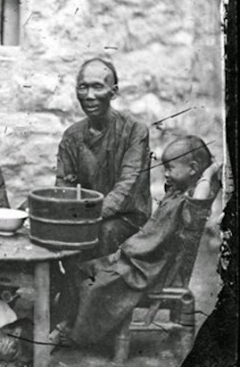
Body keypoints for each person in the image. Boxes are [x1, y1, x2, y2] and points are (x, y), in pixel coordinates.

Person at [56, 136, 221, 346]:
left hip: (153, 270)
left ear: (193, 168)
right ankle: (70, 323)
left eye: (170, 168)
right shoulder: (176, 192)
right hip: (140, 260)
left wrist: (209, 172)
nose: (166, 174)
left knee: (96, 287)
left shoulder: (192, 204)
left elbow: (200, 197)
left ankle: (80, 337)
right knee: (83, 270)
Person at [56, 57, 151, 255]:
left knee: (103, 232)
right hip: (85, 216)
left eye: (98, 87)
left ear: (113, 92)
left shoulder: (135, 131)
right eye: (83, 87)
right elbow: (64, 185)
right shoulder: (72, 136)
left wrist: (84, 215)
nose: (89, 96)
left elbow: (127, 188)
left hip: (126, 219)